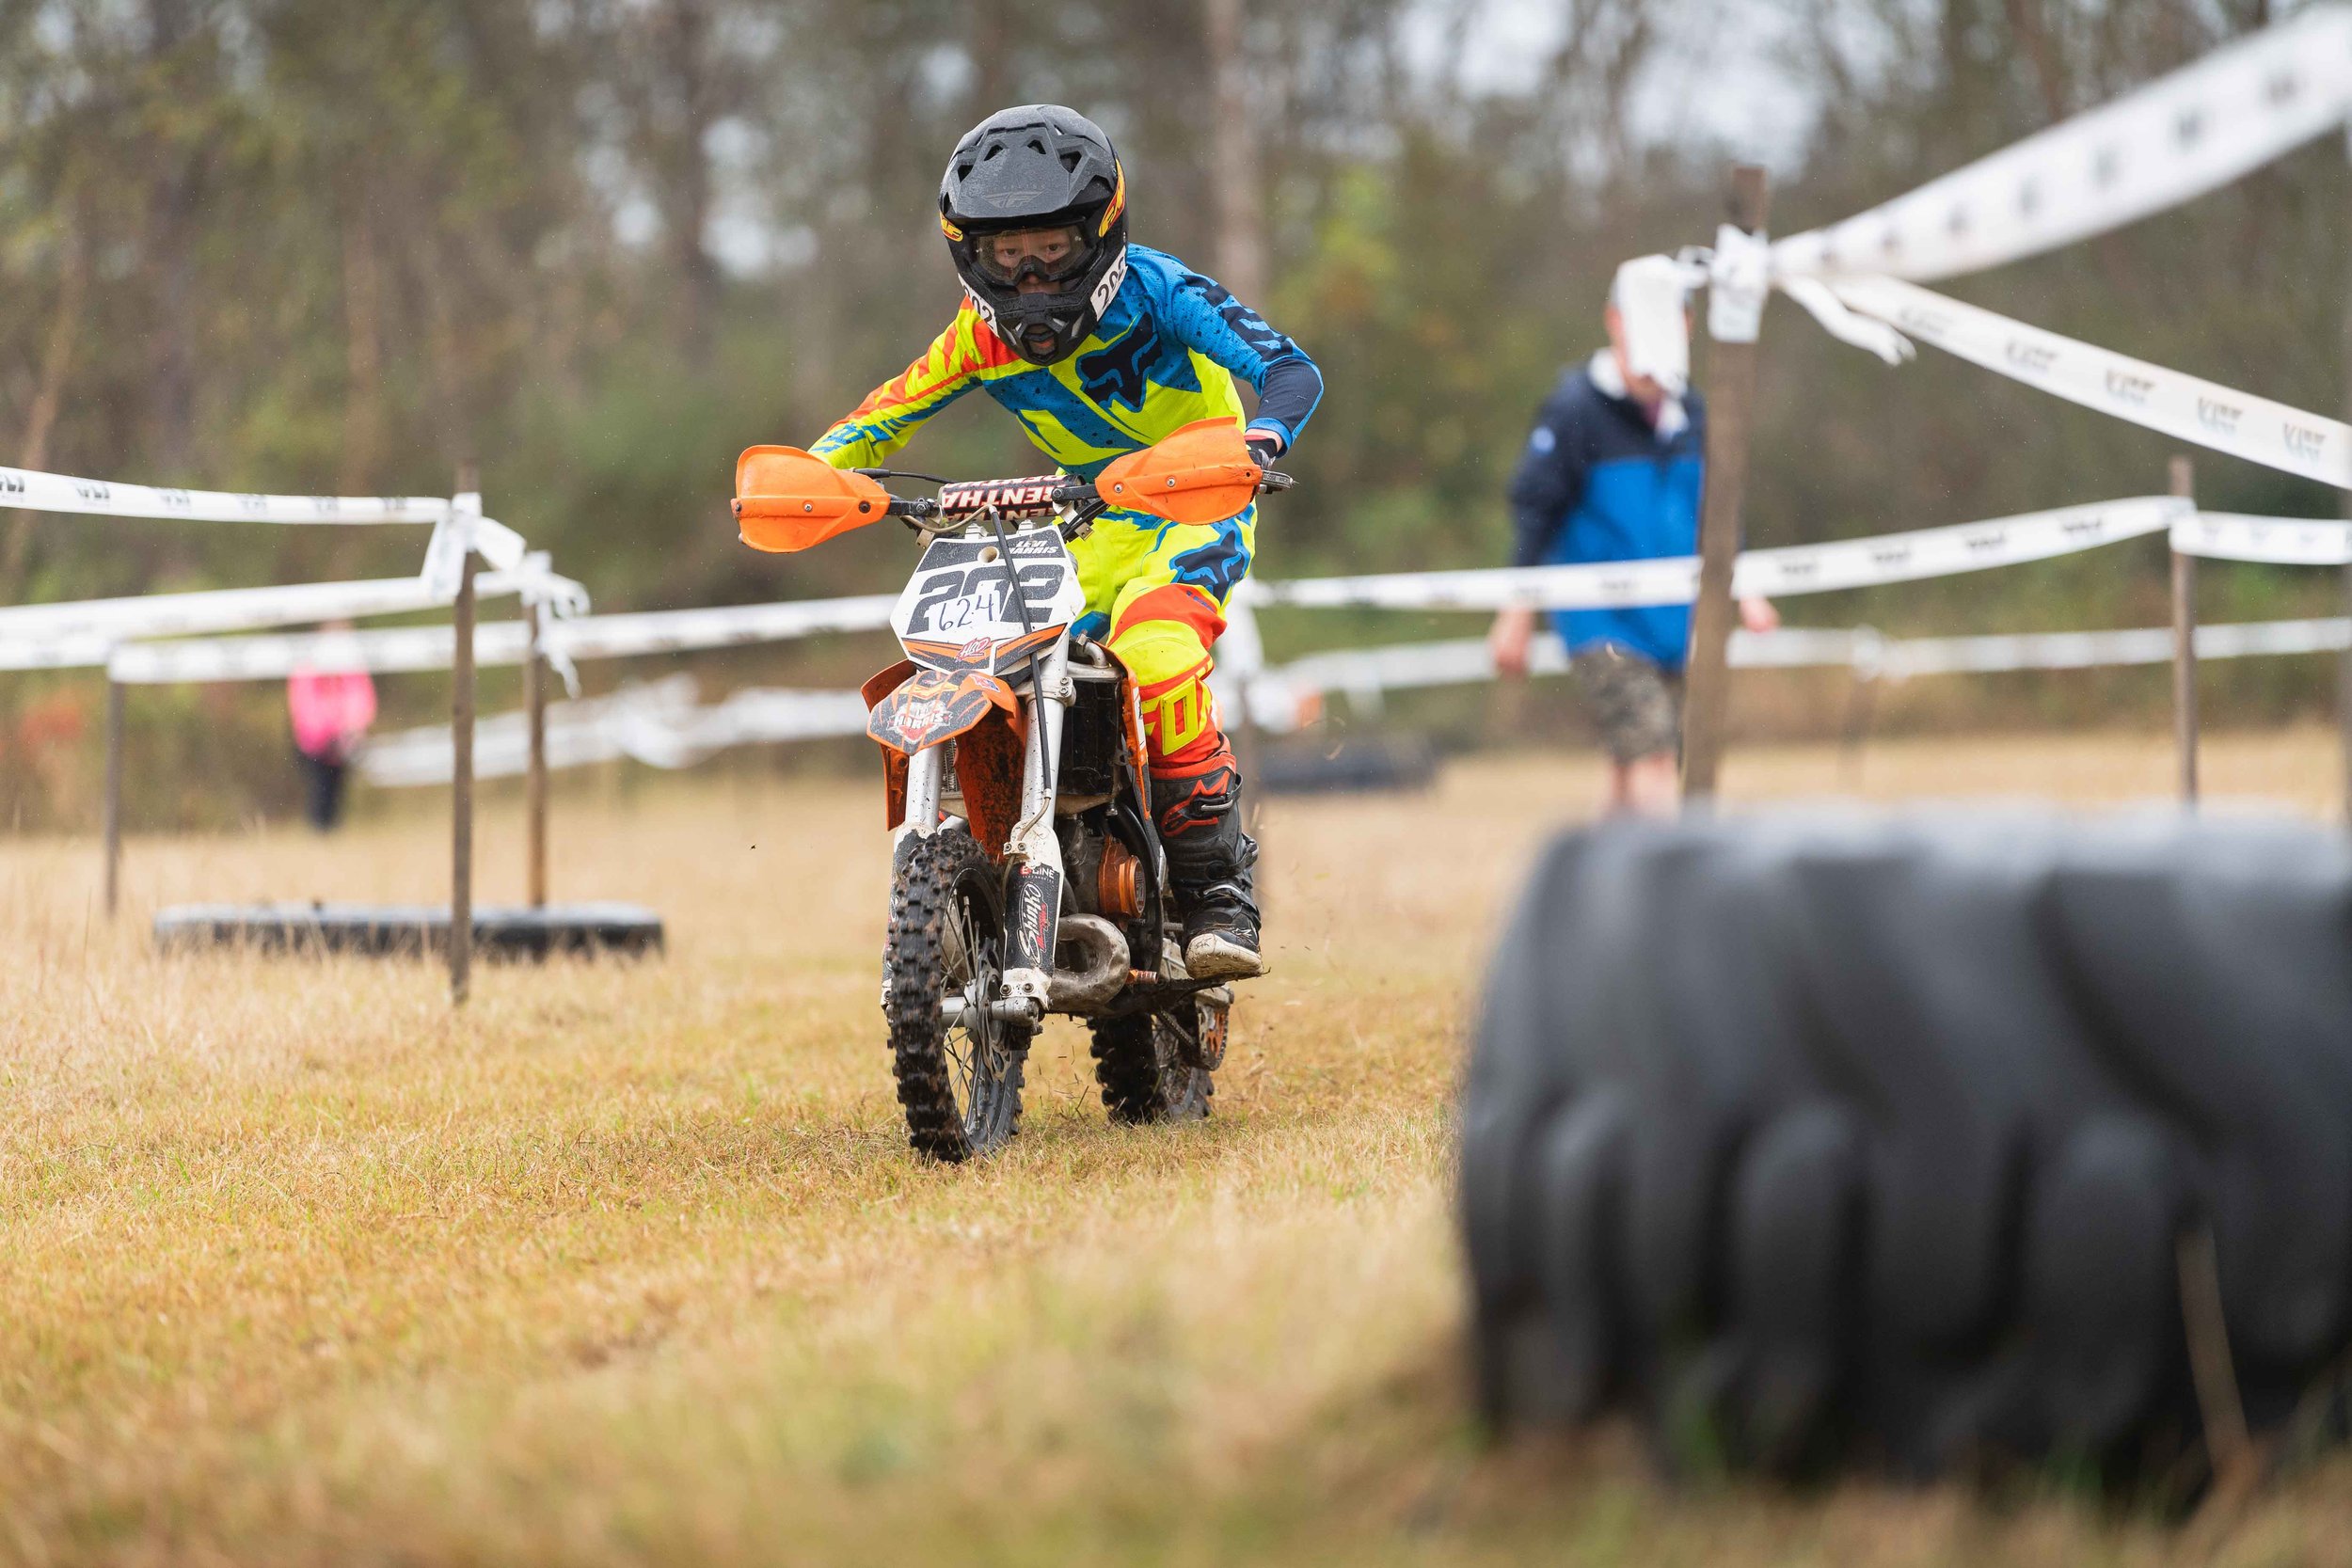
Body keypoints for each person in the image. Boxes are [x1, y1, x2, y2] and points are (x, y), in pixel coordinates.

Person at [808, 104, 1322, 980]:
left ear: (1100, 232)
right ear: (971, 253)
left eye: (1050, 246)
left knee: (1156, 652)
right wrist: (813, 481)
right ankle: (1031, 853)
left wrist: (1259, 443)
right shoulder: (976, 338)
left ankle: (1214, 891)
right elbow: (874, 422)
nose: (1032, 274)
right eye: (1007, 254)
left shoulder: (1159, 292)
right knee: (1008, 662)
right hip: (1082, 527)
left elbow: (1289, 369)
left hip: (1196, 502)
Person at [1487, 257, 1777, 817]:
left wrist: (1750, 590)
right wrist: (1515, 613)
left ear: (1688, 327)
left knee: (1635, 761)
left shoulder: (1693, 414)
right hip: (1601, 620)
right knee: (1651, 750)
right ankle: (1671, 892)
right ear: (1613, 321)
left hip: (1673, 617)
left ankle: (1598, 891)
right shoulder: (1574, 410)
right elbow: (1535, 511)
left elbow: (1718, 513)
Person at [287, 625, 376, 832]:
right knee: (320, 790)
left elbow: (361, 699)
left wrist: (351, 728)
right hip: (314, 742)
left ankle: (330, 832)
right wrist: (327, 733)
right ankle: (319, 832)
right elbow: (304, 705)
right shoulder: (308, 667)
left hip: (343, 740)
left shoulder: (350, 667)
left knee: (337, 791)